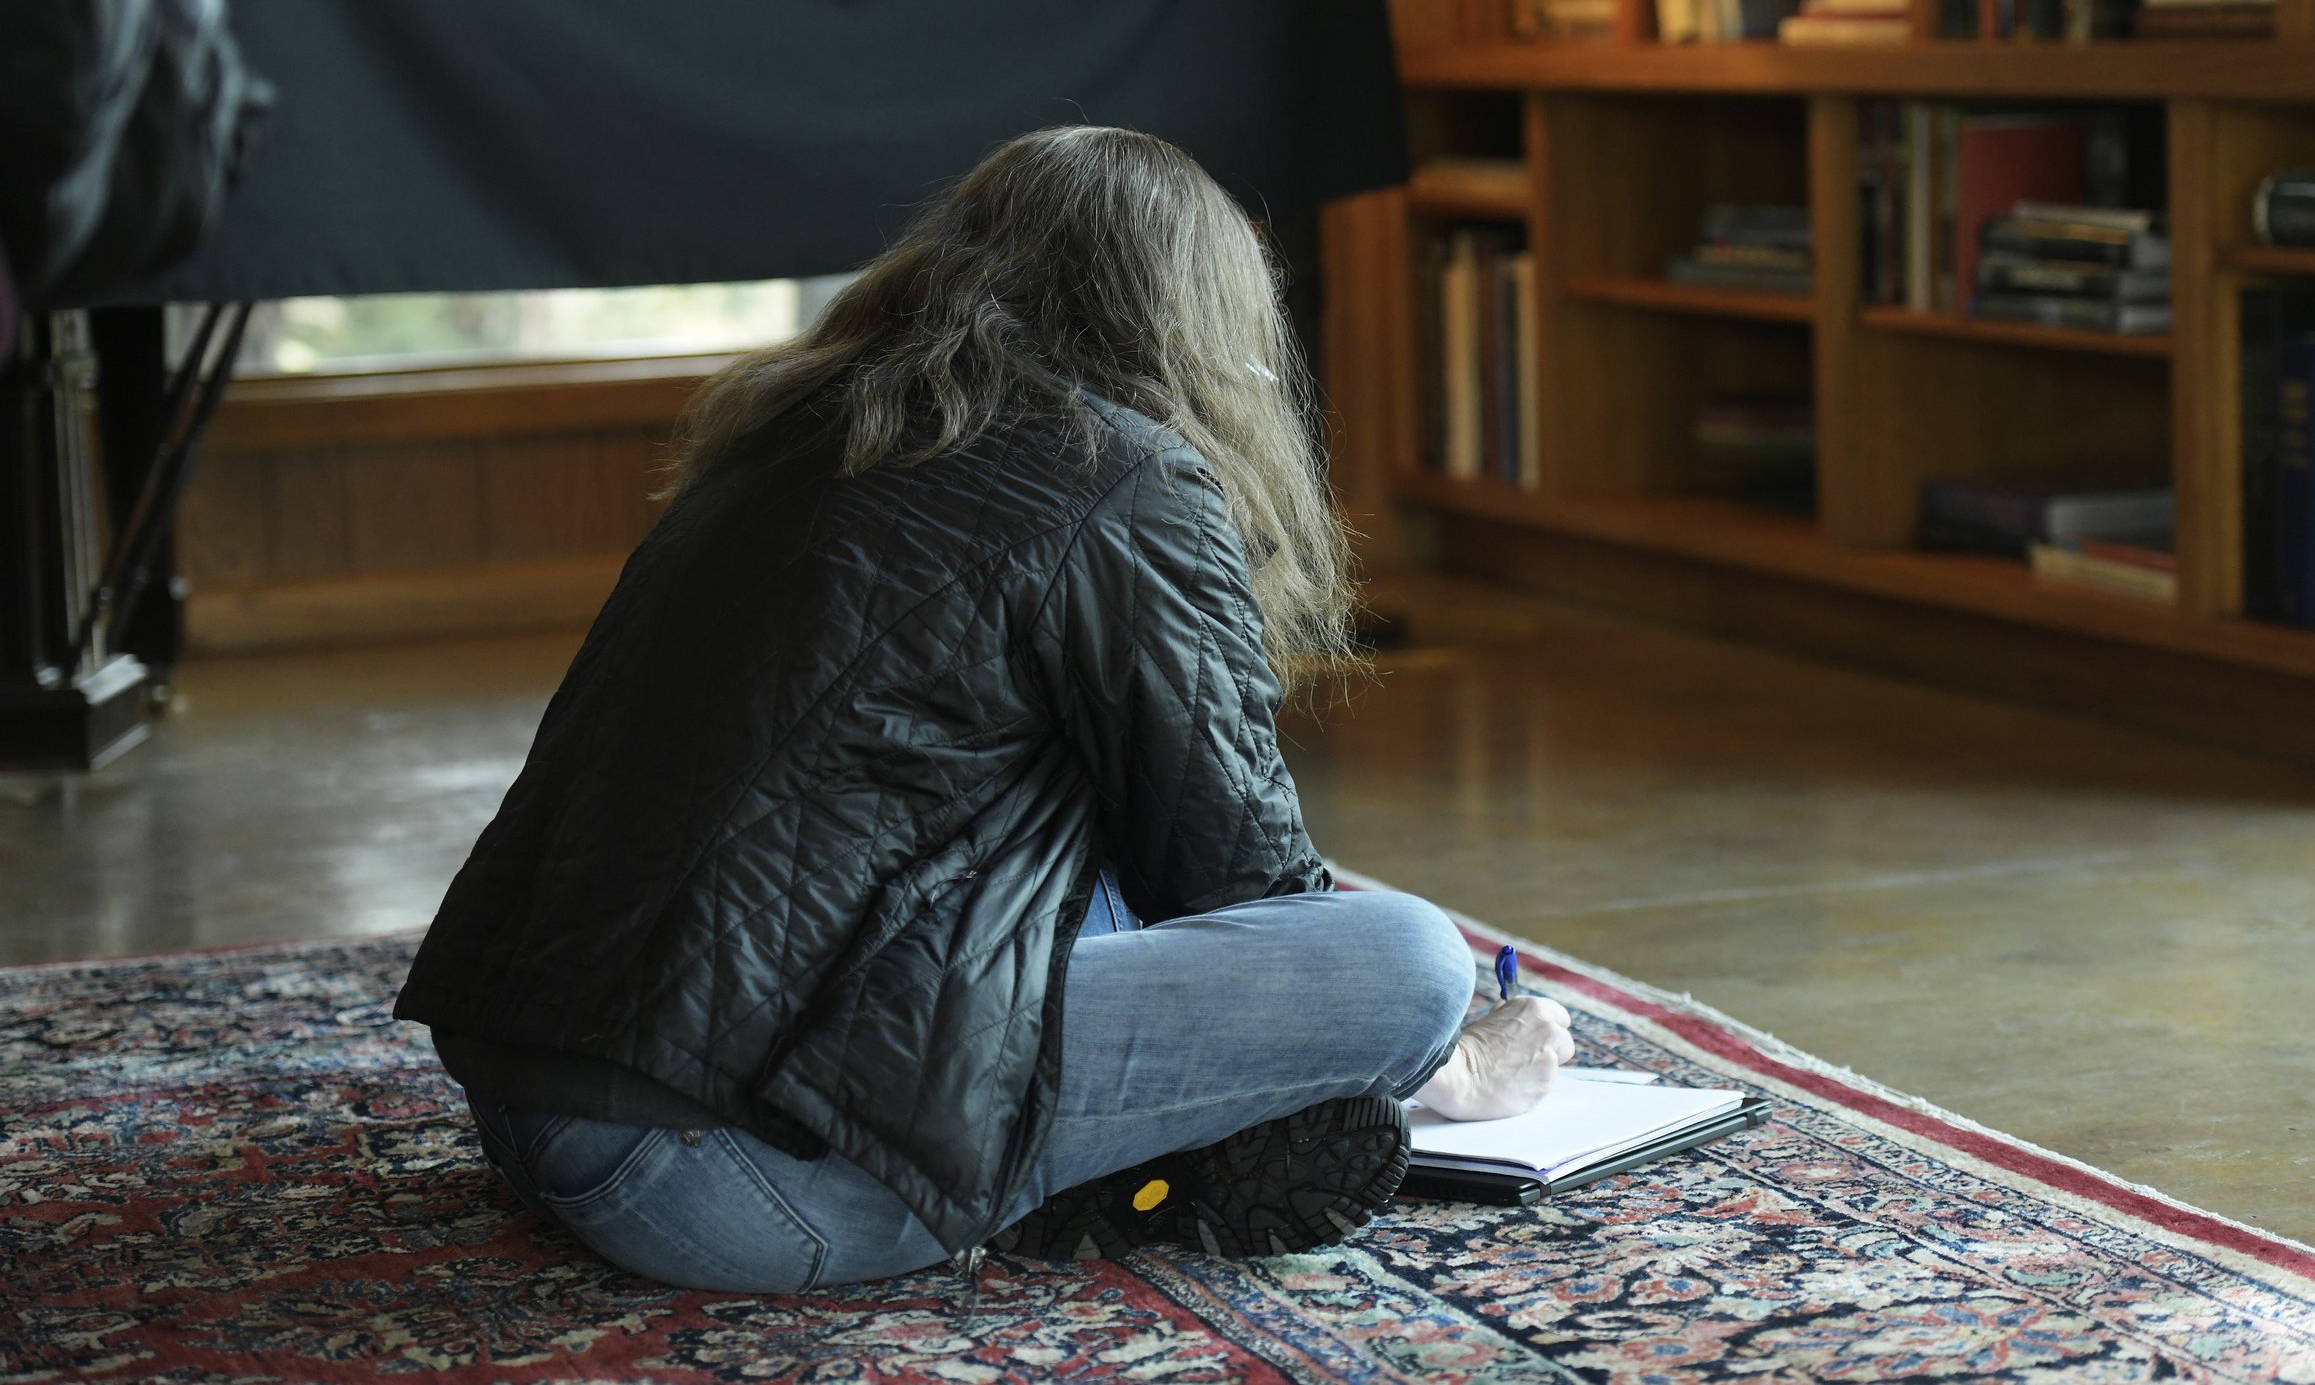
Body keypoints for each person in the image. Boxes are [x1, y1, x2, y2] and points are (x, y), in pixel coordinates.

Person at [394, 126, 1574, 1292]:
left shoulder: (791, 431)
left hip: (533, 1113)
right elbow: (1248, 889)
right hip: (732, 1181)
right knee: (1405, 962)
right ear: (1197, 321)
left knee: (1088, 839)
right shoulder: (1123, 472)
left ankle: (1168, 1156)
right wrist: (1447, 1057)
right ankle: (1188, 1155)